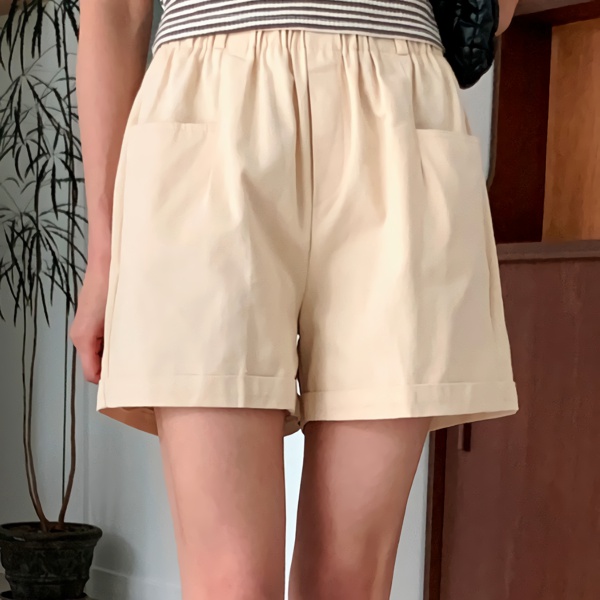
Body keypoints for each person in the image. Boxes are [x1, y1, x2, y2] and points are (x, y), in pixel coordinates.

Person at [72, 0, 520, 598]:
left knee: (348, 581)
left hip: (398, 101)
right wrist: (104, 253)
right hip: (208, 96)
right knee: (231, 584)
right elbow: (115, 12)